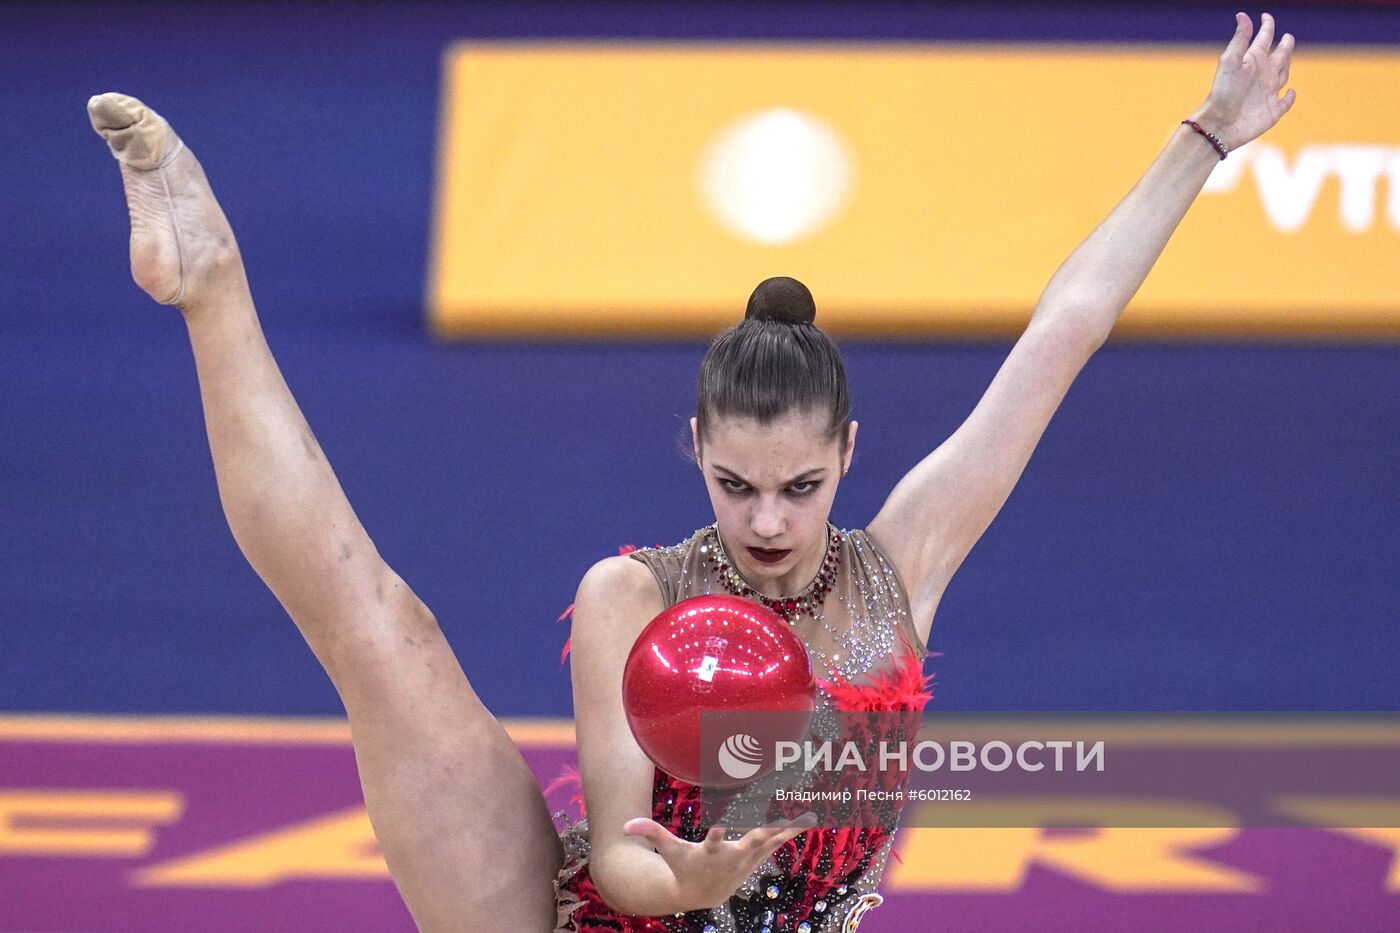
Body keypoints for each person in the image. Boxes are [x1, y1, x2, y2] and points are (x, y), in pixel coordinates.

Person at [89, 11, 1295, 932]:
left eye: (800, 487)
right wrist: (679, 880)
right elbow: (618, 848)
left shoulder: (903, 564)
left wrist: (1201, 141)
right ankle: (211, 277)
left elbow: (1060, 333)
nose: (766, 521)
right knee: (374, 624)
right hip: (600, 923)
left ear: (847, 458)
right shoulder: (637, 595)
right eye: (734, 485)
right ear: (697, 455)